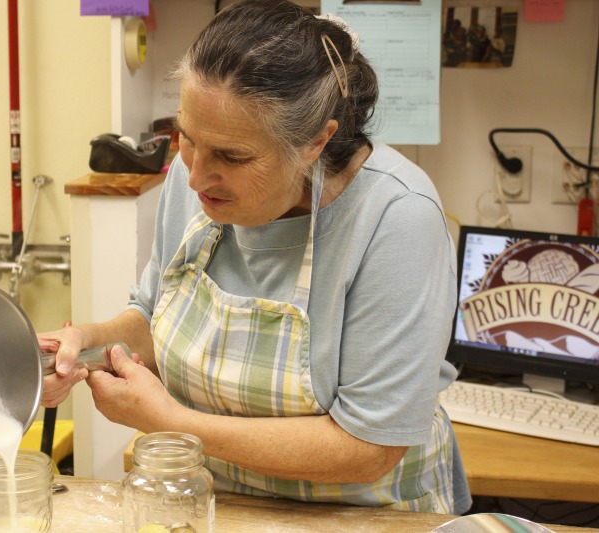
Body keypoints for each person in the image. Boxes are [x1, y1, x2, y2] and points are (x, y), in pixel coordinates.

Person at [38, 0, 471, 515]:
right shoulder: (194, 178)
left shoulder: (397, 219)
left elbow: (369, 449)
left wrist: (168, 419)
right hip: (222, 507)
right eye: (187, 139)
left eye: (232, 156)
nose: (197, 175)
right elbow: (154, 321)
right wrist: (85, 343)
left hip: (367, 517)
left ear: (315, 142)